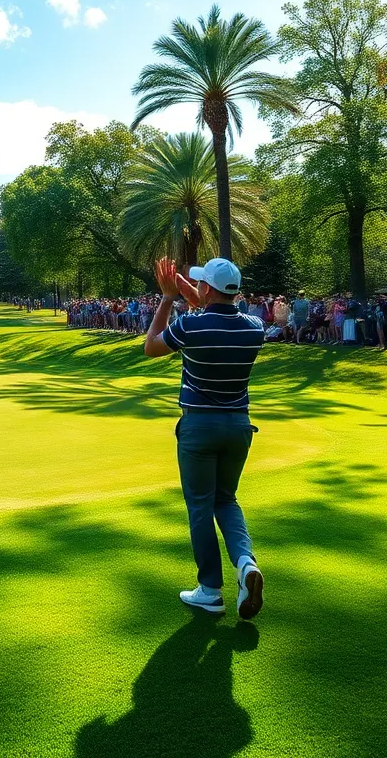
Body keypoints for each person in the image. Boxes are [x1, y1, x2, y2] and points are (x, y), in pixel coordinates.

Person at [144, 257, 266, 621]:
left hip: (199, 427)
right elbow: (214, 312)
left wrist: (167, 296)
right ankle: (245, 564)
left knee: (200, 506)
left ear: (208, 289)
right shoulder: (254, 327)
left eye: (201, 284)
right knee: (226, 499)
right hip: (239, 427)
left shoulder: (190, 327)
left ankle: (211, 590)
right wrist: (186, 285)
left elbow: (151, 346)